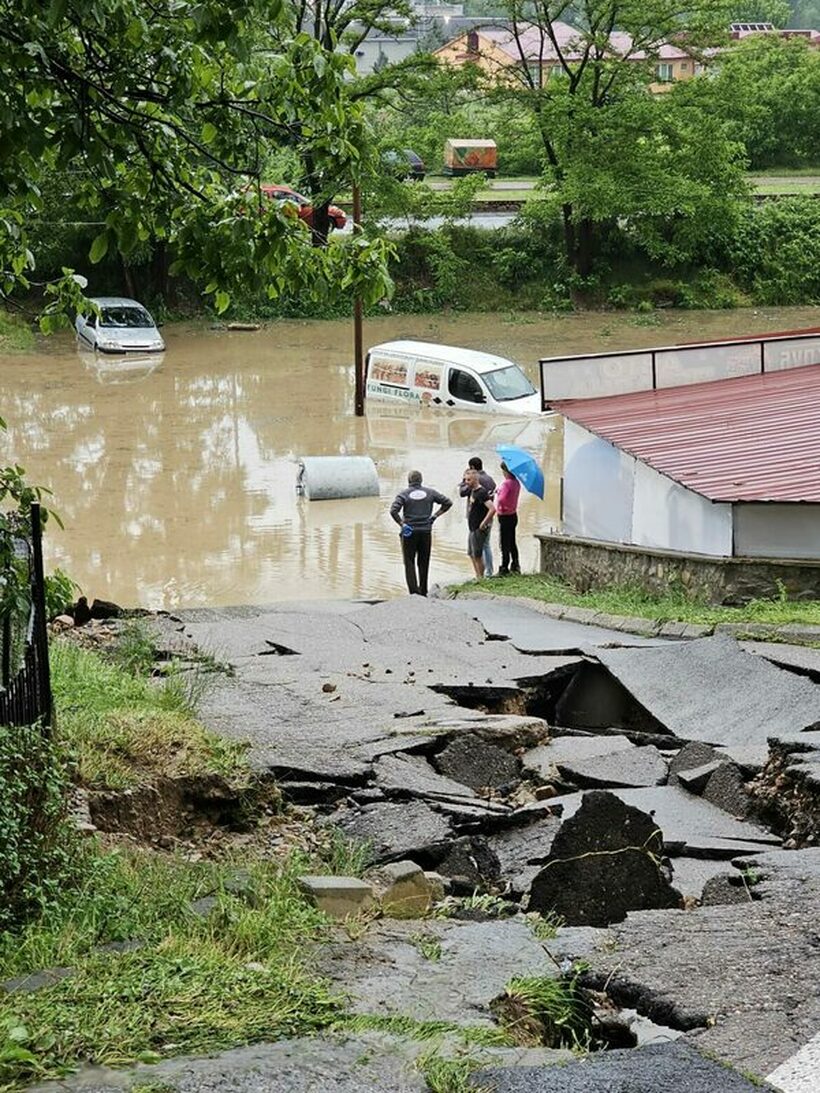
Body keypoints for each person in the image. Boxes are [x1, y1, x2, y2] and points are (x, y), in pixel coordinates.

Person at [390, 470, 452, 596]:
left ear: (409, 481)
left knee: (409, 562)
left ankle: (413, 592)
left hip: (409, 532)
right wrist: (434, 516)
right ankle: (423, 590)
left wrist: (402, 524)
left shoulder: (403, 494)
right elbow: (448, 502)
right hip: (425, 531)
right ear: (421, 480)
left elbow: (393, 511)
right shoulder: (430, 492)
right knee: (424, 562)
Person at [459, 456, 495, 576]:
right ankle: (486, 573)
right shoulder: (490, 479)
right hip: (476, 523)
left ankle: (481, 577)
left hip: (480, 523)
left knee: (478, 553)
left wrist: (483, 523)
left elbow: (492, 508)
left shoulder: (480, 491)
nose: (466, 482)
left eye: (468, 480)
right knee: (476, 550)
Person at [495, 461, 521, 575]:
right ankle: (515, 564)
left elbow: (501, 499)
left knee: (504, 542)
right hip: (513, 515)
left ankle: (504, 566)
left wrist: (498, 492)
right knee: (512, 541)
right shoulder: (516, 483)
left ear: (506, 471)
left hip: (504, 516)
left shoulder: (506, 484)